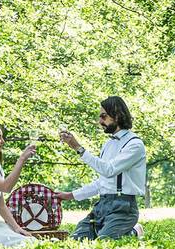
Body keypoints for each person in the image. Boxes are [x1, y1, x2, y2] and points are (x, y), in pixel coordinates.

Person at [56, 96, 146, 240]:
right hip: (102, 205)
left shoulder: (134, 144)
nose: (100, 122)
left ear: (117, 115)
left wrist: (77, 147)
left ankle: (135, 230)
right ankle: (112, 230)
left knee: (104, 241)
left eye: (103, 116)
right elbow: (102, 182)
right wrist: (70, 195)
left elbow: (108, 170)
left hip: (123, 208)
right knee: (76, 239)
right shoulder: (108, 144)